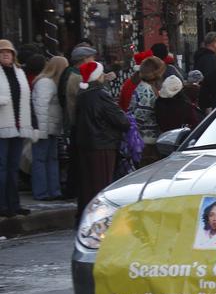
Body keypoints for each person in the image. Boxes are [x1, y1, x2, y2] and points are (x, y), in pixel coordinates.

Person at [74, 60, 130, 218]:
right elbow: (121, 120)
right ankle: (100, 218)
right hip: (103, 144)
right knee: (101, 184)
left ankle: (85, 217)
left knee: (87, 185)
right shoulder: (101, 95)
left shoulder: (82, 95)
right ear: (97, 76)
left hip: (86, 144)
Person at [0, 40, 33, 216]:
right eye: (2, 52)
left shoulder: (19, 72)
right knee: (2, 167)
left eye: (9, 52)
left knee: (13, 167)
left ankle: (14, 204)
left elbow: (26, 98)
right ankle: (3, 205)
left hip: (19, 125)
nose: (6, 55)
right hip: (2, 126)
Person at [31, 55, 68, 201]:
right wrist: (41, 131)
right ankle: (44, 192)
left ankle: (51, 191)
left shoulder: (49, 82)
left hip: (50, 128)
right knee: (43, 159)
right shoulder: (46, 83)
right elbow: (41, 108)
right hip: (45, 128)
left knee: (50, 159)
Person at [129, 56, 166, 167]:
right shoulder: (147, 91)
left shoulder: (144, 87)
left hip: (146, 140)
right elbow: (140, 116)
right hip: (147, 142)